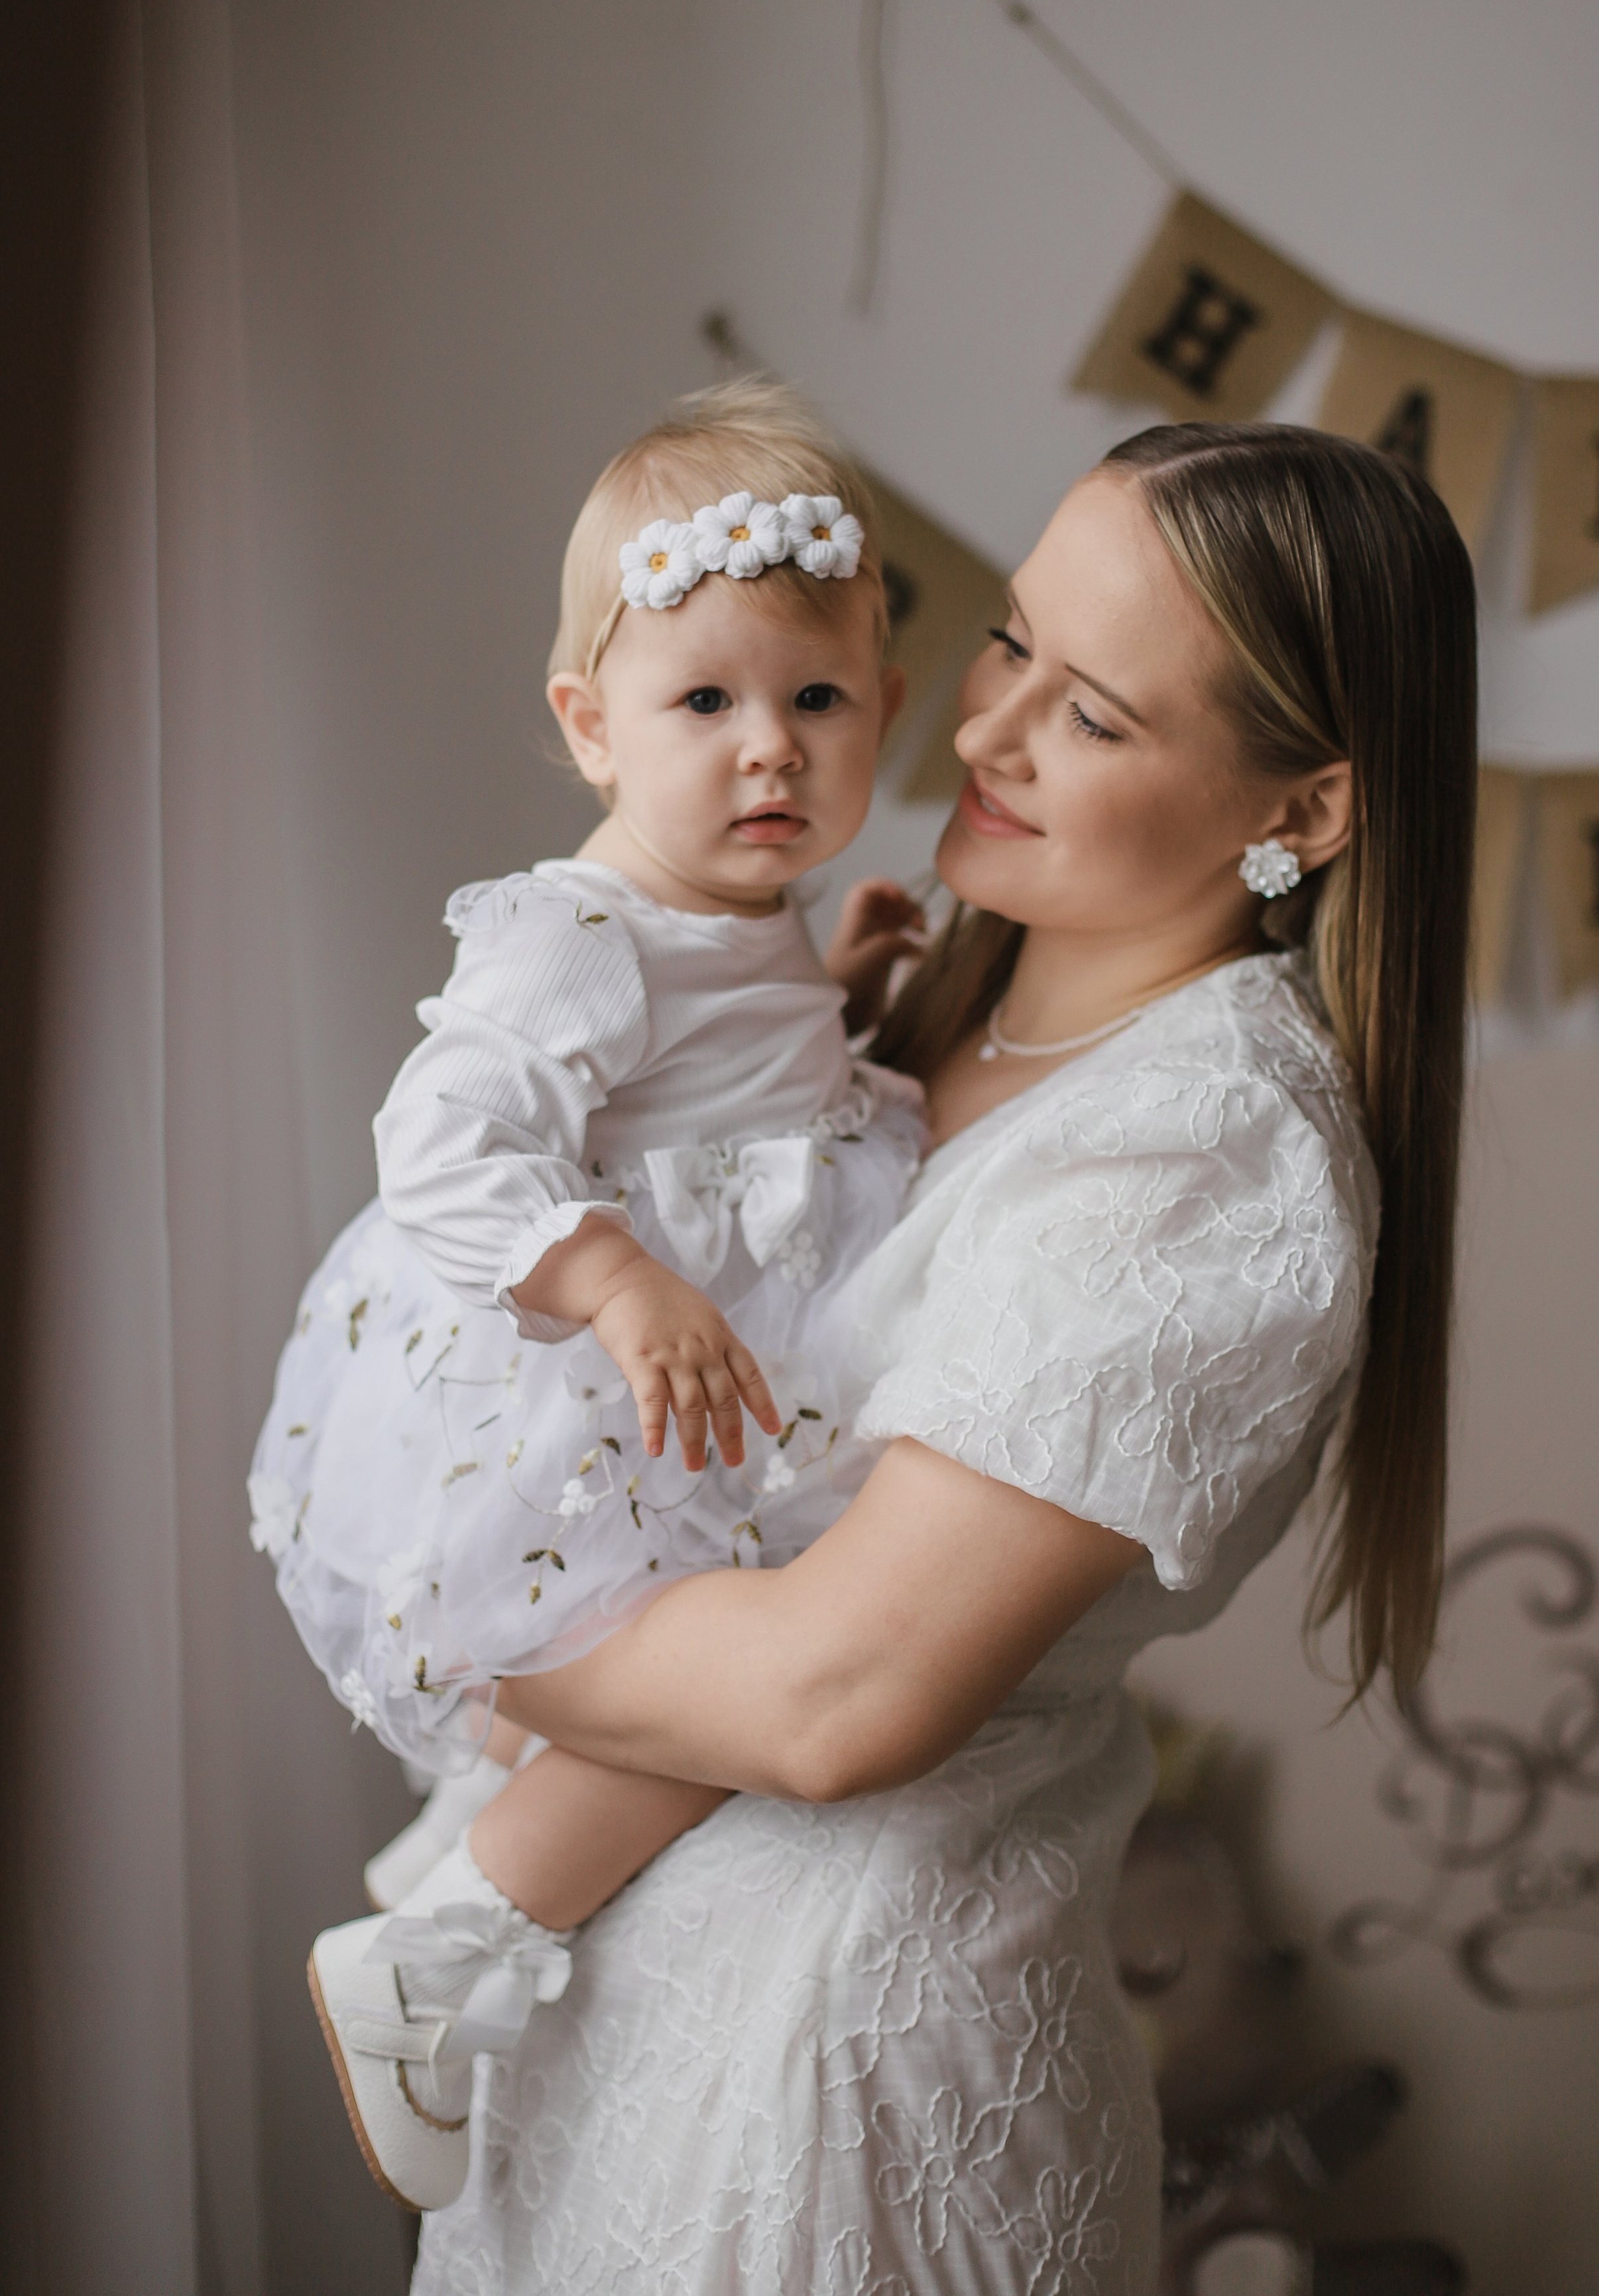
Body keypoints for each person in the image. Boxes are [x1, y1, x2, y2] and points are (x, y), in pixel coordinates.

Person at [411, 419, 1477, 2296]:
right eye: (1008, 642)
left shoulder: (1213, 1146)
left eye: (1096, 715)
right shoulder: (928, 991)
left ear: (1298, 813)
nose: (981, 734)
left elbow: (839, 1696)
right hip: (627, 2039)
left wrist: (447, 1615)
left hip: (844, 2094)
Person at [249, 380, 935, 2209]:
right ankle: (442, 1952)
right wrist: (614, 1272)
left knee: (696, 1660)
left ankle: (464, 1845)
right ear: (592, 725)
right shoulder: (579, 930)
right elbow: (447, 1144)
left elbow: (740, 1098)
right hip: (597, 1388)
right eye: (703, 702)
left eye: (818, 700)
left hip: (703, 1377)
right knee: (718, 1696)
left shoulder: (747, 910)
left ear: (885, 712)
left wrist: (844, 999)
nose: (767, 750)